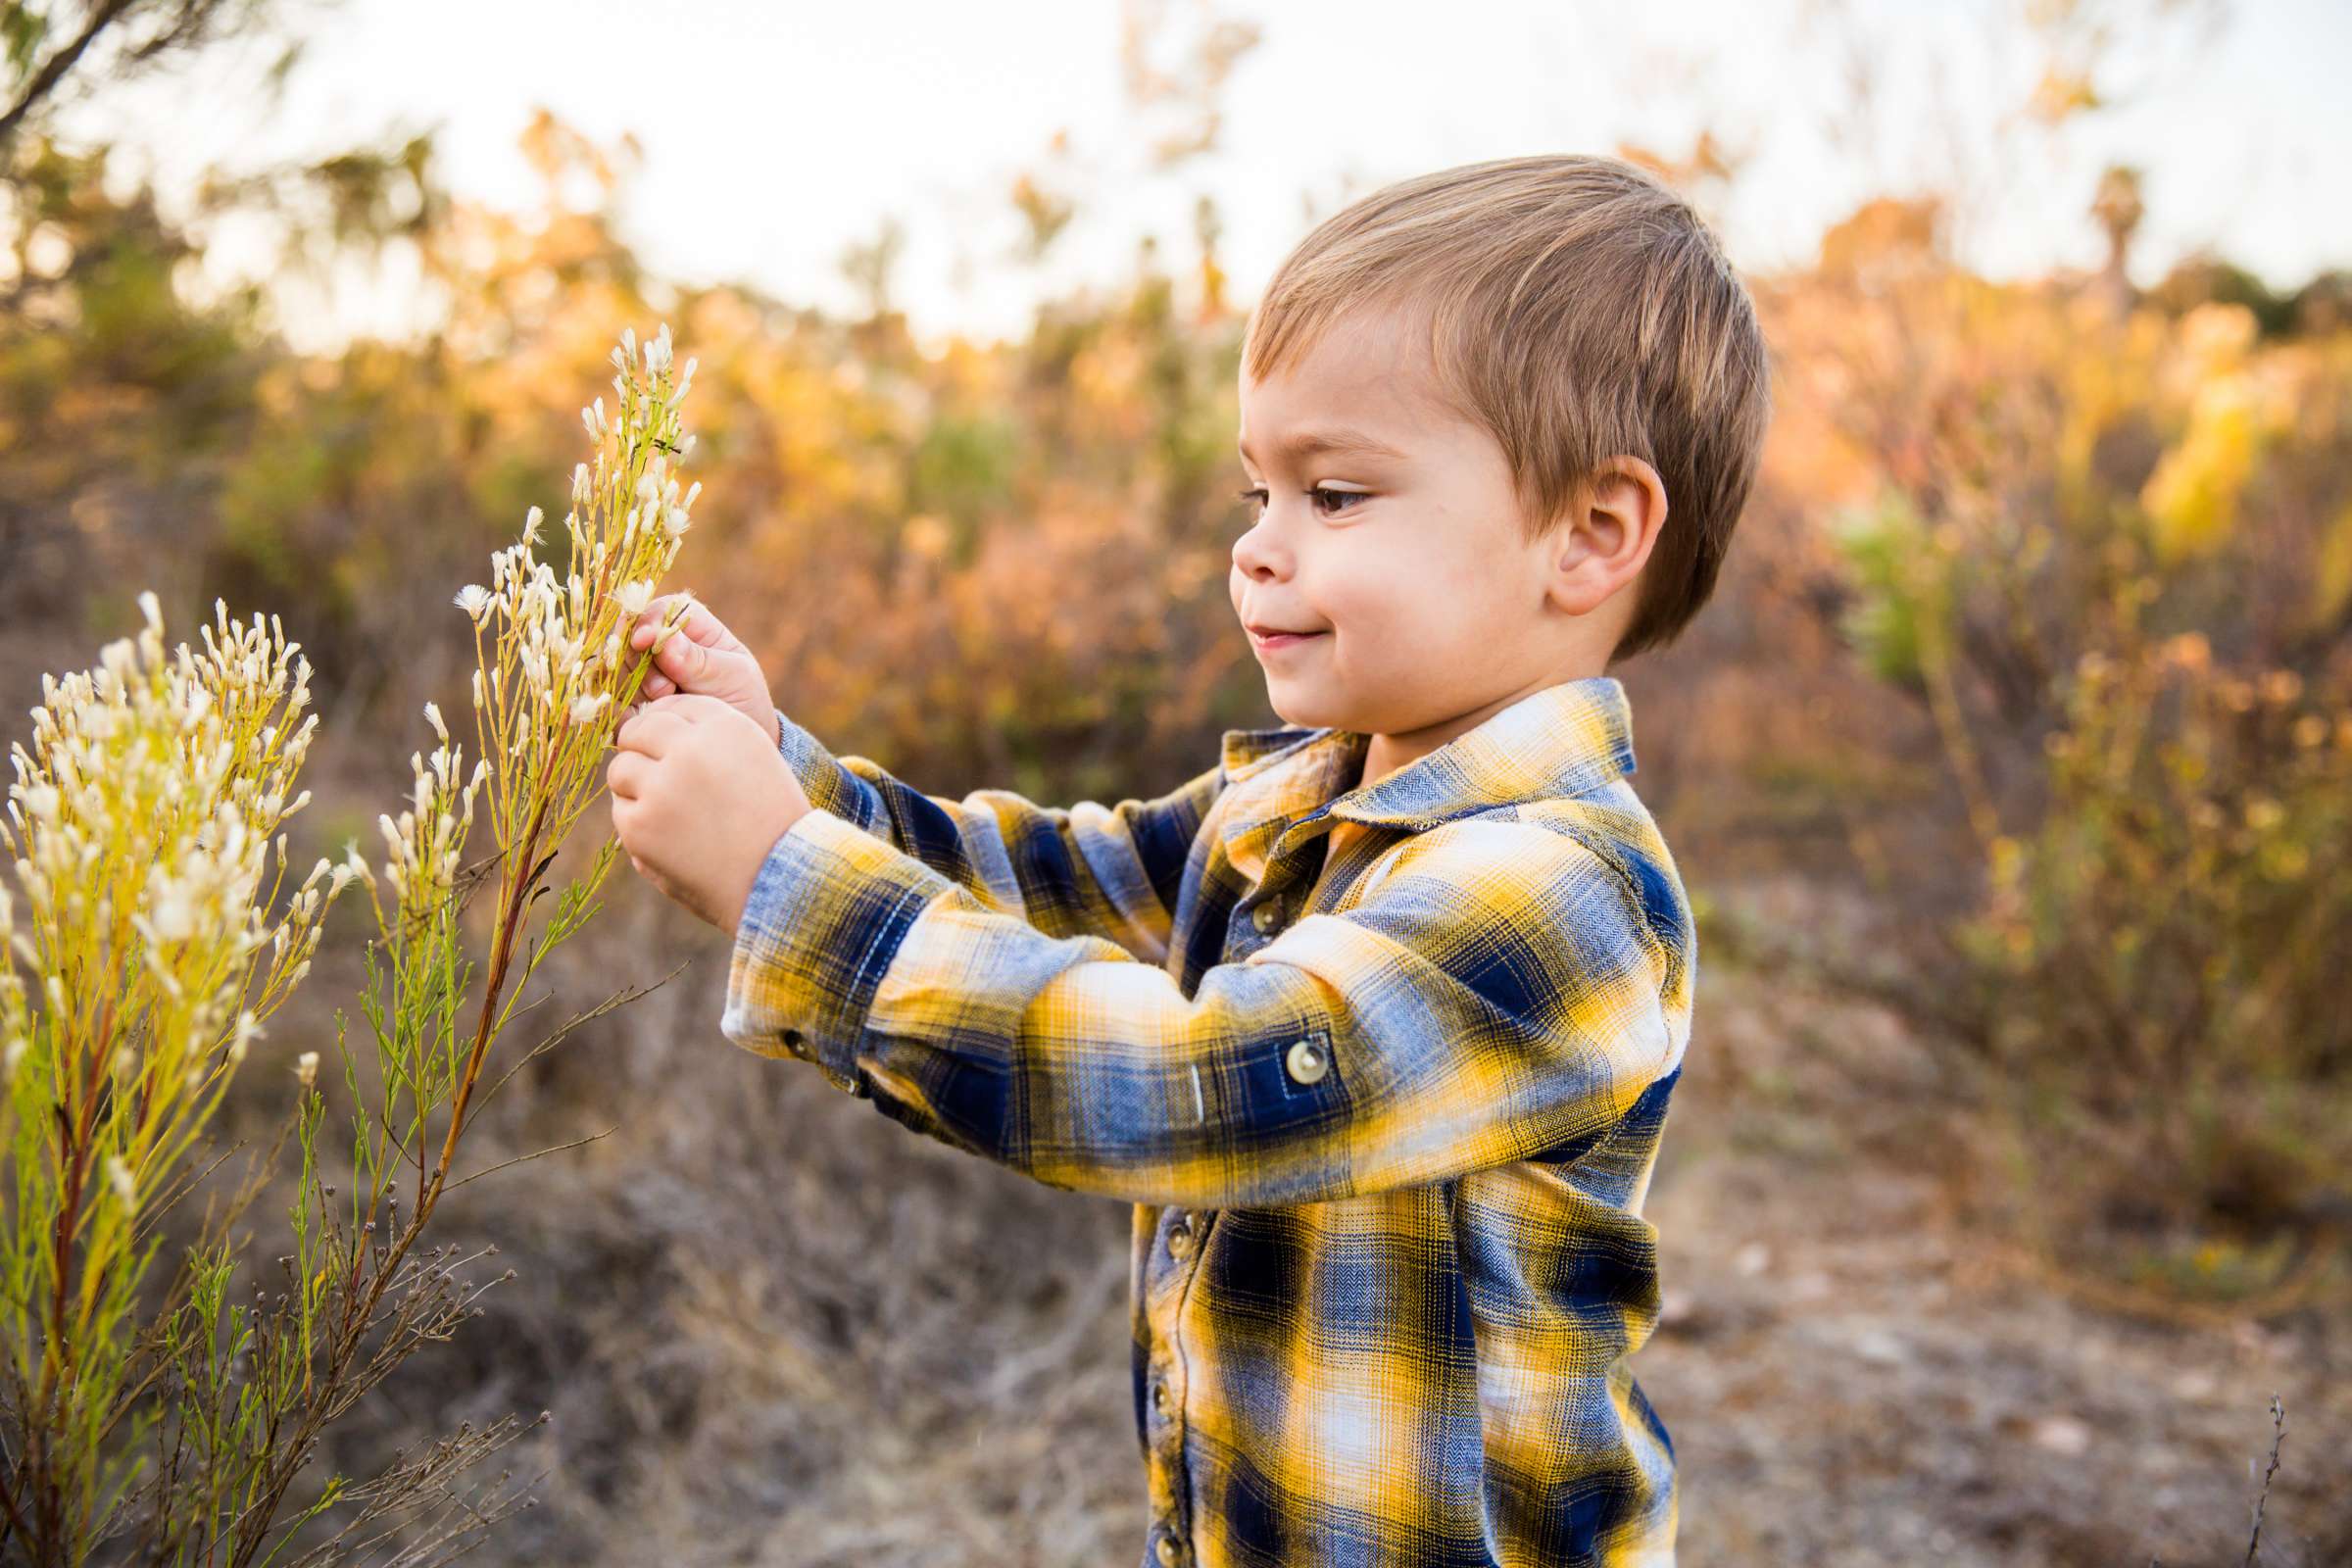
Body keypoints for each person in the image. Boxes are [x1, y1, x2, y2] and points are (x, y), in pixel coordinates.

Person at [604, 152, 1771, 1567]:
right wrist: (786, 776)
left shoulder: (1559, 898)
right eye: (1256, 492)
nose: (1257, 552)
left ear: (1588, 538)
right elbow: (1033, 882)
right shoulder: (1299, 797)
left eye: (1333, 495)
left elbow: (1193, 1089)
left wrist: (787, 885)